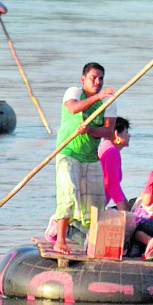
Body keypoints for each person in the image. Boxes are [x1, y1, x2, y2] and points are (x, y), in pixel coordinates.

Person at [53, 63, 116, 255]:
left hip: (90, 156)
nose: (97, 82)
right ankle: (60, 239)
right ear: (83, 79)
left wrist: (90, 130)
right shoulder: (74, 92)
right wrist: (97, 96)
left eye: (100, 79)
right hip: (68, 152)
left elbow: (109, 132)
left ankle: (93, 241)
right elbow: (73, 109)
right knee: (68, 192)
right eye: (93, 78)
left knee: (96, 203)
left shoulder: (108, 102)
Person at [97, 117, 131, 211]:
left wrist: (125, 203)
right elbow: (111, 184)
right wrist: (124, 211)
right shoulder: (112, 151)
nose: (129, 135)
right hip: (97, 205)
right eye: (126, 132)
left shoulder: (106, 146)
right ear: (116, 134)